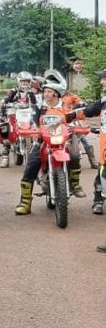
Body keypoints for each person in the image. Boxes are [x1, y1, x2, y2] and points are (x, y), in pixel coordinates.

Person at [15, 70, 84, 215]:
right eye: (45, 91)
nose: (46, 94)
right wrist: (30, 128)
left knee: (75, 155)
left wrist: (76, 126)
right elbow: (33, 120)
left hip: (63, 139)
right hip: (43, 140)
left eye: (49, 91)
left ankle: (75, 184)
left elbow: (77, 115)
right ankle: (25, 202)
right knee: (31, 165)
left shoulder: (66, 105)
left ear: (56, 94)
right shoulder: (39, 105)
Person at [66, 69, 106, 241]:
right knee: (101, 177)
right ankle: (98, 201)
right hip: (105, 154)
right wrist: (68, 116)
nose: (102, 82)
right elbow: (87, 110)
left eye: (104, 79)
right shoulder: (103, 101)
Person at [0, 71, 35, 168]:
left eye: (27, 81)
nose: (25, 83)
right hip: (15, 111)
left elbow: (36, 102)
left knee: (35, 128)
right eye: (23, 81)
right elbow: (7, 99)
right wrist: (4, 104)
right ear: (19, 81)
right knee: (8, 130)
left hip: (27, 113)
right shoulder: (13, 91)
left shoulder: (32, 92)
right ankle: (5, 157)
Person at [62, 89, 98, 169]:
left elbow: (80, 103)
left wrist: (81, 104)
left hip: (73, 120)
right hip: (61, 123)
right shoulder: (52, 99)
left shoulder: (70, 96)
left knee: (86, 141)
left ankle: (93, 161)